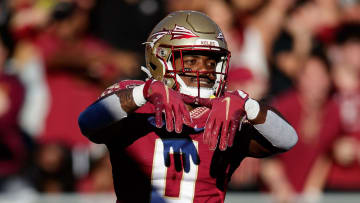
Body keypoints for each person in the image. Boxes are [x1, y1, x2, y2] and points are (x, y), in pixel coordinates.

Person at [78, 10, 298, 202]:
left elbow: (288, 139)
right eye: (191, 61)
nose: (204, 71)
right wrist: (143, 93)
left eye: (211, 62)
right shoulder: (136, 102)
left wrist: (249, 105)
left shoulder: (227, 112)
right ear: (162, 58)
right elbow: (88, 123)